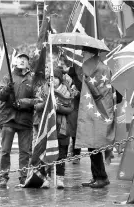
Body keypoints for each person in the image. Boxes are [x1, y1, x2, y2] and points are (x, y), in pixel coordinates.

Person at [0, 53, 36, 187]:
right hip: (8, 119)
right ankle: (3, 177)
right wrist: (7, 89)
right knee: (5, 151)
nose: (22, 61)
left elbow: (38, 99)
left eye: (25, 59)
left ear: (28, 63)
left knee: (25, 152)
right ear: (15, 62)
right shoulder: (8, 76)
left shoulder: (33, 79)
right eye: (20, 59)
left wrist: (23, 103)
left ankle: (23, 177)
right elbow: (0, 95)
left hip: (25, 121)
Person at [34, 67, 74, 189]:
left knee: (61, 153)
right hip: (46, 127)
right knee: (45, 153)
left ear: (60, 79)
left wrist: (59, 108)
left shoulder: (67, 92)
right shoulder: (42, 90)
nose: (54, 80)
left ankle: (60, 179)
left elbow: (70, 109)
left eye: (56, 78)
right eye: (51, 78)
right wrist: (47, 104)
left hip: (61, 128)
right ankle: (46, 178)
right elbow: (36, 105)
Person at [80, 46, 111, 188]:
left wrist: (87, 80)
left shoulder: (101, 69)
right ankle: (96, 176)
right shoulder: (92, 68)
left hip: (99, 111)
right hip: (92, 111)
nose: (82, 55)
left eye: (84, 52)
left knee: (95, 144)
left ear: (91, 54)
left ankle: (102, 177)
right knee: (91, 146)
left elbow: (99, 93)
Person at [57, 56, 81, 164]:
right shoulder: (58, 75)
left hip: (74, 108)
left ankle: (76, 154)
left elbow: (80, 89)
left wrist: (77, 93)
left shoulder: (75, 75)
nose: (62, 65)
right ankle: (63, 155)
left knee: (75, 133)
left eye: (63, 63)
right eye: (60, 63)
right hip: (64, 108)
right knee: (64, 133)